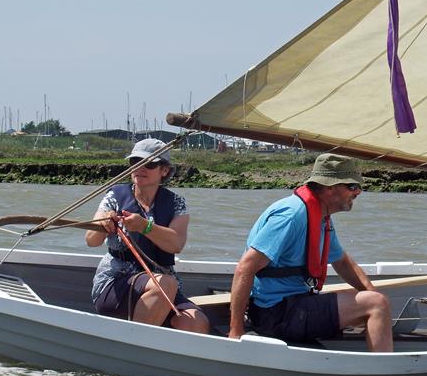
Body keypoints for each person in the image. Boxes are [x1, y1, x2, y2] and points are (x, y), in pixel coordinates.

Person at [228, 153, 393, 352]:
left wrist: (369, 291)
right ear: (329, 188)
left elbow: (341, 262)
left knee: (372, 301)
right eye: (352, 186)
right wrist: (236, 332)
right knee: (376, 305)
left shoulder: (320, 216)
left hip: (295, 303)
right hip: (274, 313)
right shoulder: (291, 215)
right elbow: (245, 268)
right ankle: (381, 375)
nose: (358, 192)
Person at [85, 138, 210, 334]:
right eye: (135, 162)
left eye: (149, 164)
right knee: (165, 284)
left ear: (165, 171)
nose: (140, 168)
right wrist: (102, 222)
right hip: (116, 283)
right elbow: (91, 241)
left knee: (196, 323)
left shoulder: (177, 203)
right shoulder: (114, 196)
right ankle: (133, 345)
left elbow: (176, 244)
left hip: (161, 284)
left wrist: (145, 227)